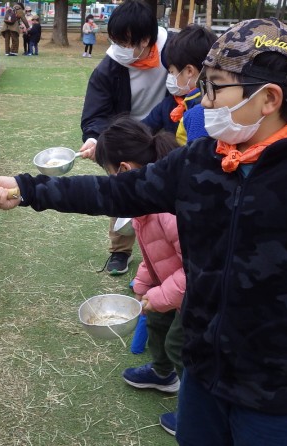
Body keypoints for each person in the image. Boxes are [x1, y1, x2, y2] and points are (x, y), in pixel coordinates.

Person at [0, 17, 287, 445]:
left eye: (215, 87)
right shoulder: (200, 161)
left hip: (274, 393)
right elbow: (115, 193)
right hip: (201, 374)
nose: (204, 102)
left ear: (269, 98)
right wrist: (29, 188)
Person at [96, 117, 185, 436]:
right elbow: (153, 253)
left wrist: (159, 296)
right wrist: (144, 285)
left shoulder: (170, 209)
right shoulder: (144, 199)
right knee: (159, 324)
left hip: (201, 290)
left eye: (109, 175)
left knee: (181, 344)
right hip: (171, 283)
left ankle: (196, 412)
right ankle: (163, 375)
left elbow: (196, 269)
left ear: (123, 169)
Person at [78, 0, 169, 275]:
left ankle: (170, 253)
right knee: (123, 189)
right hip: (129, 134)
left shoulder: (173, 50)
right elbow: (94, 113)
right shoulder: (109, 67)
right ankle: (120, 250)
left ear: (146, 39)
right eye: (115, 40)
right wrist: (95, 139)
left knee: (168, 193)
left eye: (126, 42)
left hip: (165, 131)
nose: (119, 49)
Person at [142, 24, 217, 145]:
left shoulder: (200, 112)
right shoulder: (171, 103)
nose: (170, 77)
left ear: (189, 71)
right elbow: (145, 127)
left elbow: (193, 157)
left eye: (172, 72)